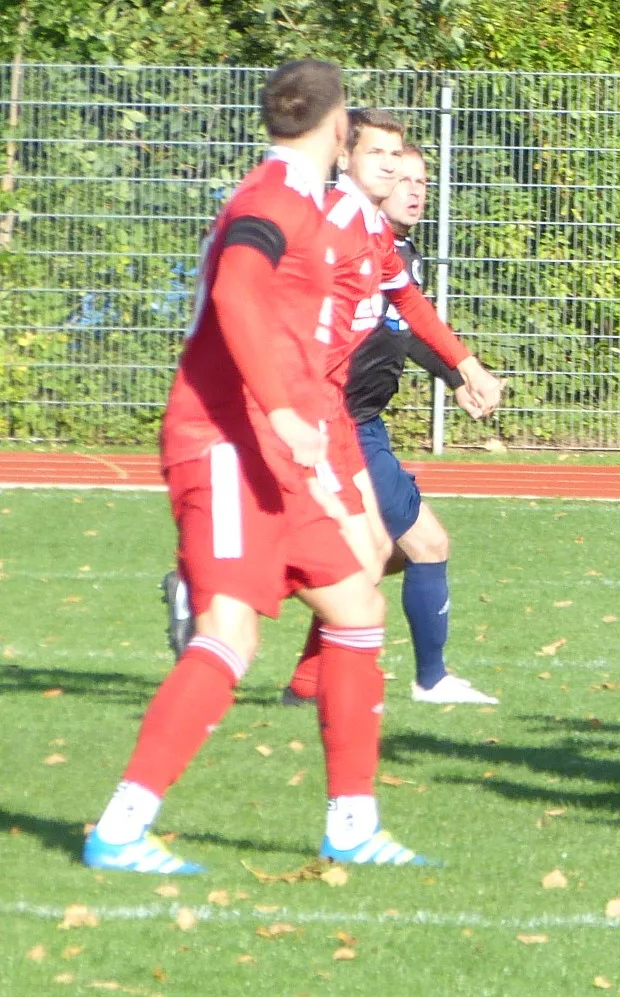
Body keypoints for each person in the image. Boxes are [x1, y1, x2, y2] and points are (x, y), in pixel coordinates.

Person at [87, 60, 427, 873]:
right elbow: (237, 292)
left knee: (356, 605)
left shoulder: (308, 201)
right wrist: (280, 409)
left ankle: (353, 823)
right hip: (226, 442)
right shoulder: (271, 198)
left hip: (273, 447)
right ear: (339, 125)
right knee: (230, 633)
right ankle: (121, 828)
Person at [277, 111, 504, 709]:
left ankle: (308, 687)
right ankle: (216, 586)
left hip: (351, 419)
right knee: (410, 545)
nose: (398, 172)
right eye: (380, 155)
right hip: (326, 416)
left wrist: (466, 368)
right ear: (344, 156)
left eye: (400, 158)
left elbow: (409, 308)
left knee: (379, 553)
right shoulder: (332, 224)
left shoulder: (377, 237)